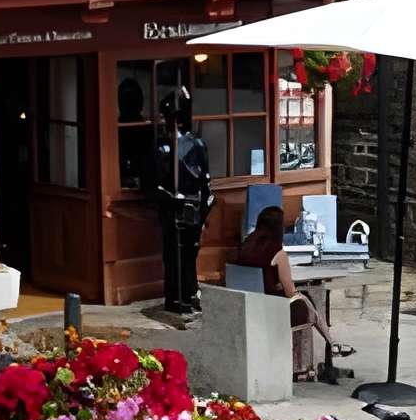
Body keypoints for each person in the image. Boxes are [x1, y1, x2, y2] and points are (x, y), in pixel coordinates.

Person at [231, 203, 352, 381]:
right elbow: (289, 291)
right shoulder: (277, 252)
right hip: (271, 310)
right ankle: (329, 346)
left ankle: (331, 345)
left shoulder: (246, 245)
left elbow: (259, 277)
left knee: (306, 301)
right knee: (306, 300)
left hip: (248, 305)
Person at [150, 89, 213, 314]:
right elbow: (155, 184)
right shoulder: (163, 147)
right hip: (174, 208)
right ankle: (176, 296)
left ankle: (189, 292)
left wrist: (204, 211)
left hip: (191, 207)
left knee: (188, 254)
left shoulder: (197, 145)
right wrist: (170, 200)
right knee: (174, 255)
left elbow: (206, 183)